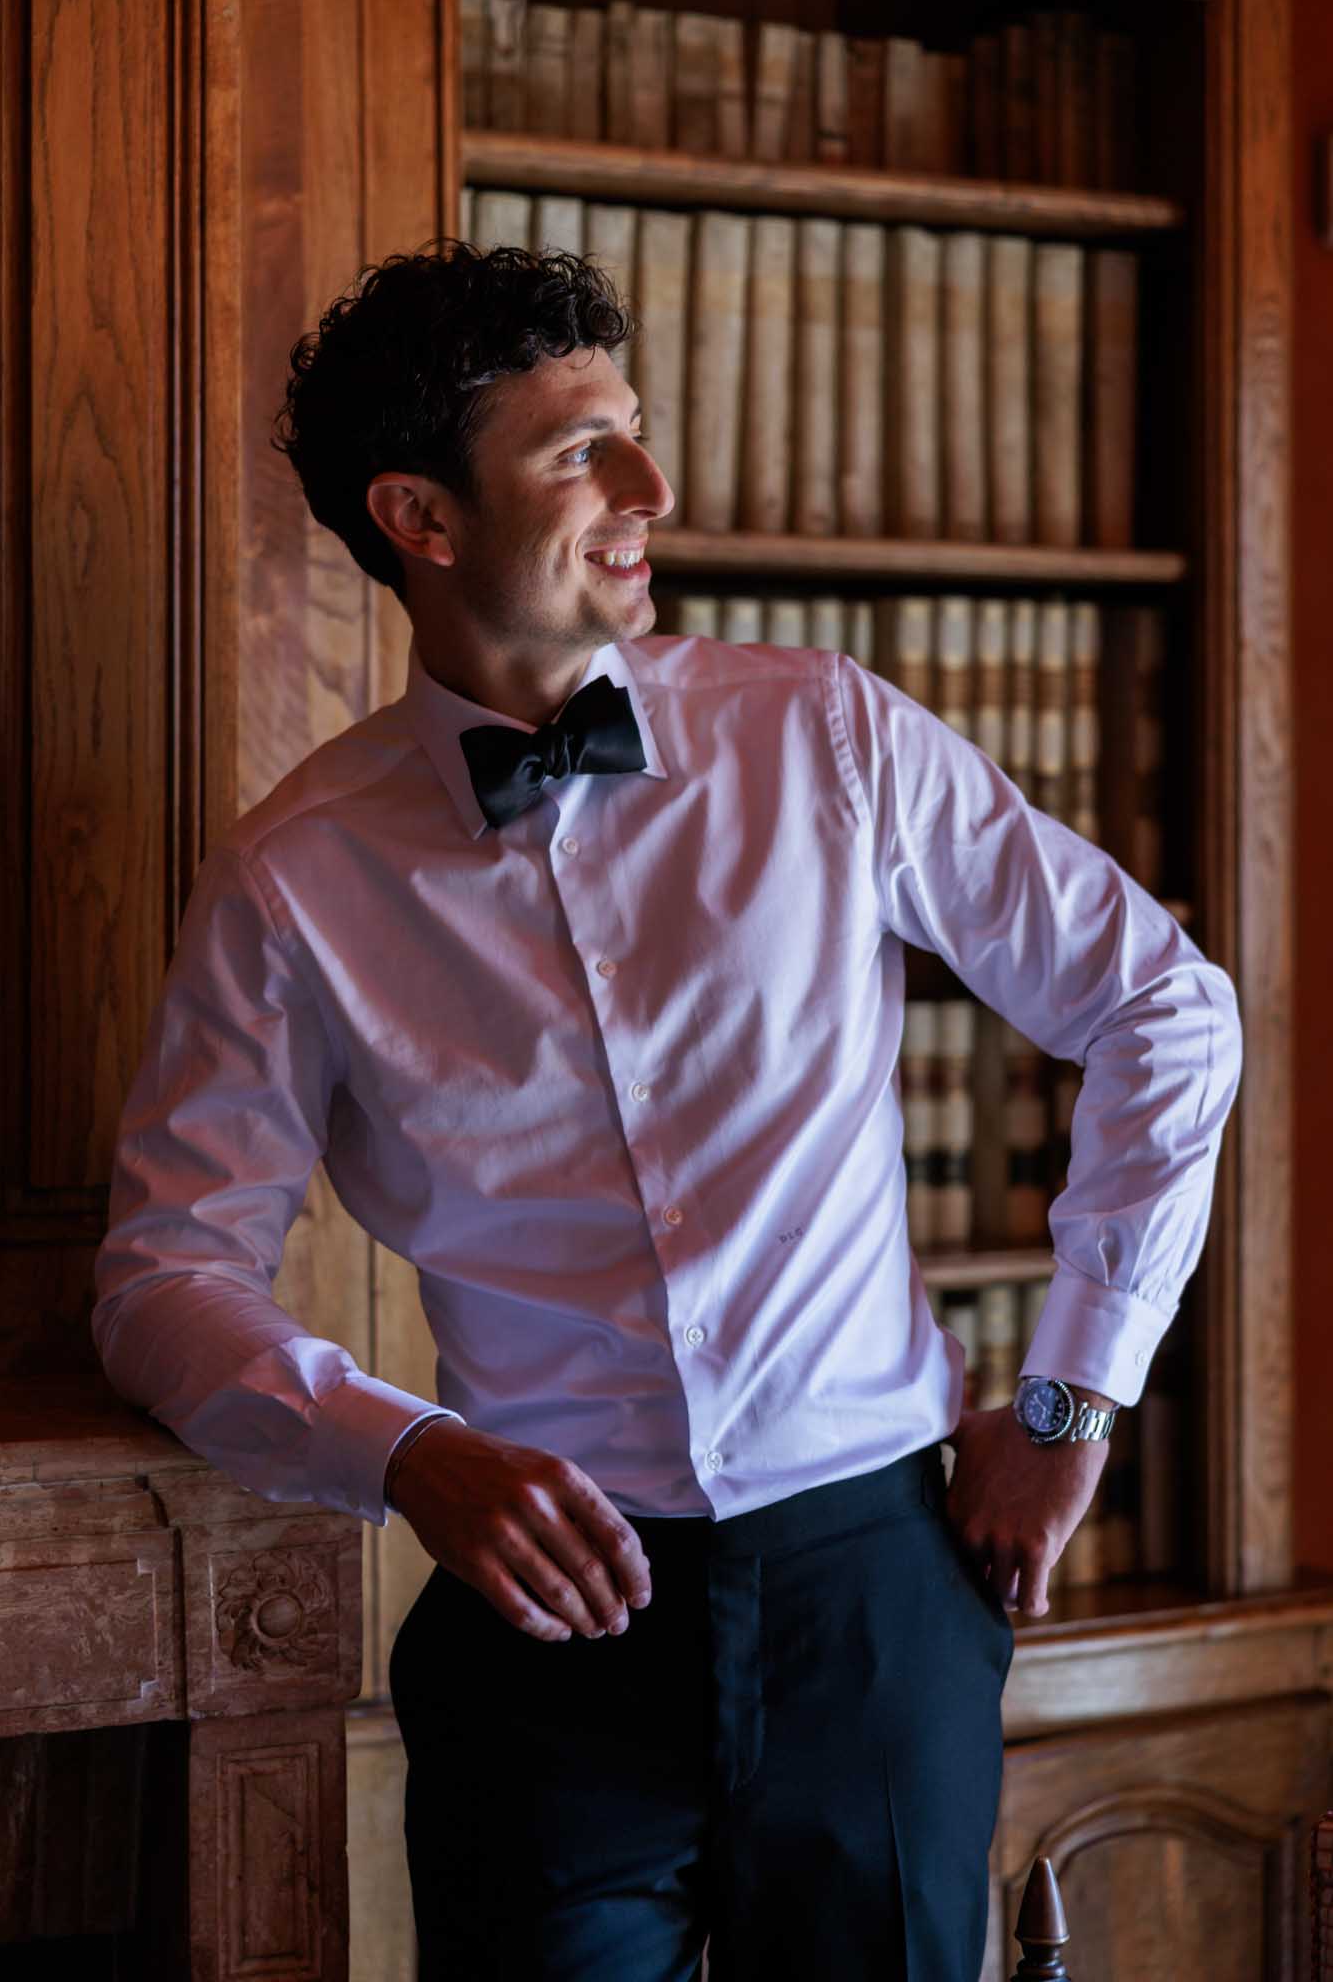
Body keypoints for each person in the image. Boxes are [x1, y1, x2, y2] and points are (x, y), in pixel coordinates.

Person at [93, 242, 1242, 1980]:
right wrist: (409, 1453)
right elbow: (163, 1273)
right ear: (420, 514)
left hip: (878, 1595)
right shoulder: (292, 878)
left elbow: (1164, 1005)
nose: (652, 491)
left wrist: (1076, 1393)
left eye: (633, 433)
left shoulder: (829, 738)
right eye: (579, 454)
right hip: (539, 1618)